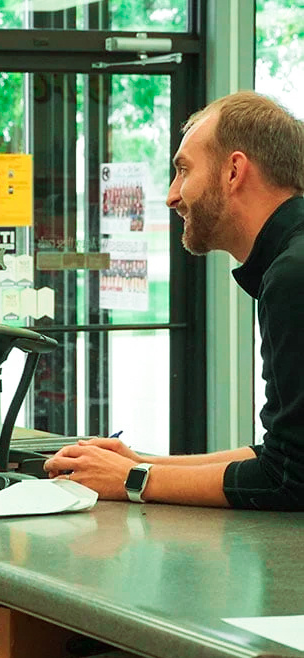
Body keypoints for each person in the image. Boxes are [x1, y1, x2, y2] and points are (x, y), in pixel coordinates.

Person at [44, 91, 304, 509]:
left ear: (234, 171)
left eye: (183, 171)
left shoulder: (293, 275)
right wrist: (140, 461)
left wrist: (133, 480)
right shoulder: (290, 261)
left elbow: (290, 479)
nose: (171, 196)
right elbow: (283, 453)